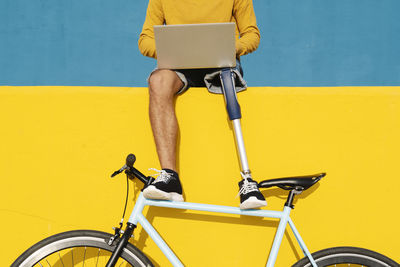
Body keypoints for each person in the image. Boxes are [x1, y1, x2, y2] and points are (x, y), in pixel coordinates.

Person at [138, 0, 267, 209]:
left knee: (228, 81)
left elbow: (252, 35)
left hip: (221, 63)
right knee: (157, 80)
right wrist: (173, 51)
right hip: (179, 66)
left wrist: (230, 48)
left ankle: (247, 181)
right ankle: (170, 178)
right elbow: (145, 40)